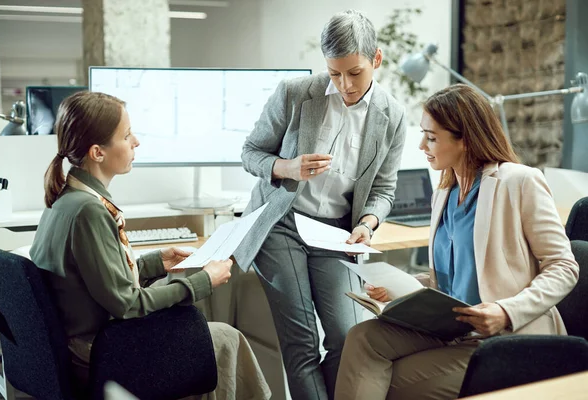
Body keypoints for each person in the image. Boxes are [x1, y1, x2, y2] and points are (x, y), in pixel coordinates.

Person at [334, 84, 580, 399]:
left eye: (432, 137)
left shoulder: (519, 182)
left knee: (387, 383)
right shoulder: (445, 193)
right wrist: (401, 284)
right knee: (363, 337)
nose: (422, 144)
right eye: (423, 134)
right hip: (452, 327)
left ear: (464, 139)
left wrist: (505, 311)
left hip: (505, 335)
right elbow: (454, 275)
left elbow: (564, 266)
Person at [29, 91, 271, 400]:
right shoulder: (89, 211)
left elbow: (97, 280)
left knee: (210, 335)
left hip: (81, 341)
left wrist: (156, 262)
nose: (136, 142)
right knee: (226, 337)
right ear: (97, 152)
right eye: (127, 135)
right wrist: (202, 283)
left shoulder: (67, 199)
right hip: (100, 350)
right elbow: (128, 304)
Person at [237, 9, 407, 400]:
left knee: (349, 336)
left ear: (376, 59)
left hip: (337, 235)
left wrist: (368, 222)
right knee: (301, 340)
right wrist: (287, 166)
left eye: (355, 72)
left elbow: (383, 189)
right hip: (282, 222)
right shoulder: (296, 94)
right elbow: (250, 153)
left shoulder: (393, 116)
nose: (345, 84)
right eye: (334, 73)